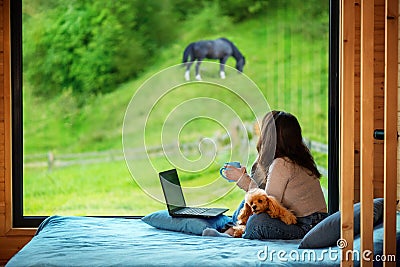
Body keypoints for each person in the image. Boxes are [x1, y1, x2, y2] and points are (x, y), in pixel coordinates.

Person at [203, 110, 328, 239]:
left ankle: (233, 233)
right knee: (245, 204)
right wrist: (260, 159)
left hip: (306, 226)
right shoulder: (293, 158)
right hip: (304, 220)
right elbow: (263, 188)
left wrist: (242, 179)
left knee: (257, 222)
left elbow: (267, 204)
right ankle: (230, 231)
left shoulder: (282, 164)